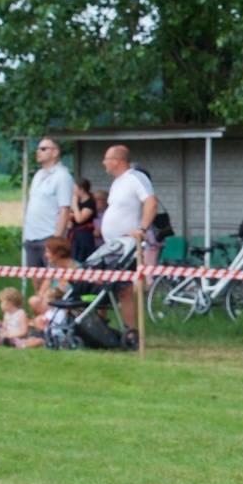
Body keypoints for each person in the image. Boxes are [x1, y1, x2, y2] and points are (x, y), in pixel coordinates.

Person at [99, 145, 156, 346]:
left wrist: (142, 228)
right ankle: (100, 327)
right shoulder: (117, 183)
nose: (103, 163)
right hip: (111, 245)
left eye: (106, 159)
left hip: (126, 246)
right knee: (103, 285)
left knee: (124, 289)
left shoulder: (135, 178)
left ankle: (131, 331)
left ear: (117, 160)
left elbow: (150, 201)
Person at [23, 136, 74, 268]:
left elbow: (64, 210)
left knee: (52, 281)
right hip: (31, 237)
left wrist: (56, 240)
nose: (38, 151)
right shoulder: (37, 175)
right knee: (37, 281)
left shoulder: (62, 176)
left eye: (43, 149)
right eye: (38, 148)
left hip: (48, 236)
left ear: (55, 152)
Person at [69, 177, 99, 262]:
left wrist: (74, 204)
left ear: (81, 190)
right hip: (75, 235)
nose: (73, 191)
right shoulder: (78, 202)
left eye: (75, 189)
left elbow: (79, 219)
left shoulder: (90, 203)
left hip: (84, 235)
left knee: (83, 257)